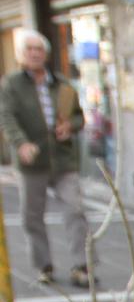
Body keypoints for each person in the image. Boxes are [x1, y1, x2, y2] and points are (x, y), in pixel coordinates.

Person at [0, 29, 91, 288]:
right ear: (20, 54)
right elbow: (6, 117)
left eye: (38, 49)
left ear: (46, 54)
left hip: (63, 160)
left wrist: (70, 126)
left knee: (75, 210)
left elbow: (78, 116)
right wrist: (21, 144)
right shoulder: (11, 84)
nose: (34, 53)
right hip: (32, 161)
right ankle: (44, 265)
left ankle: (81, 265)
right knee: (32, 216)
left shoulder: (61, 84)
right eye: (29, 49)